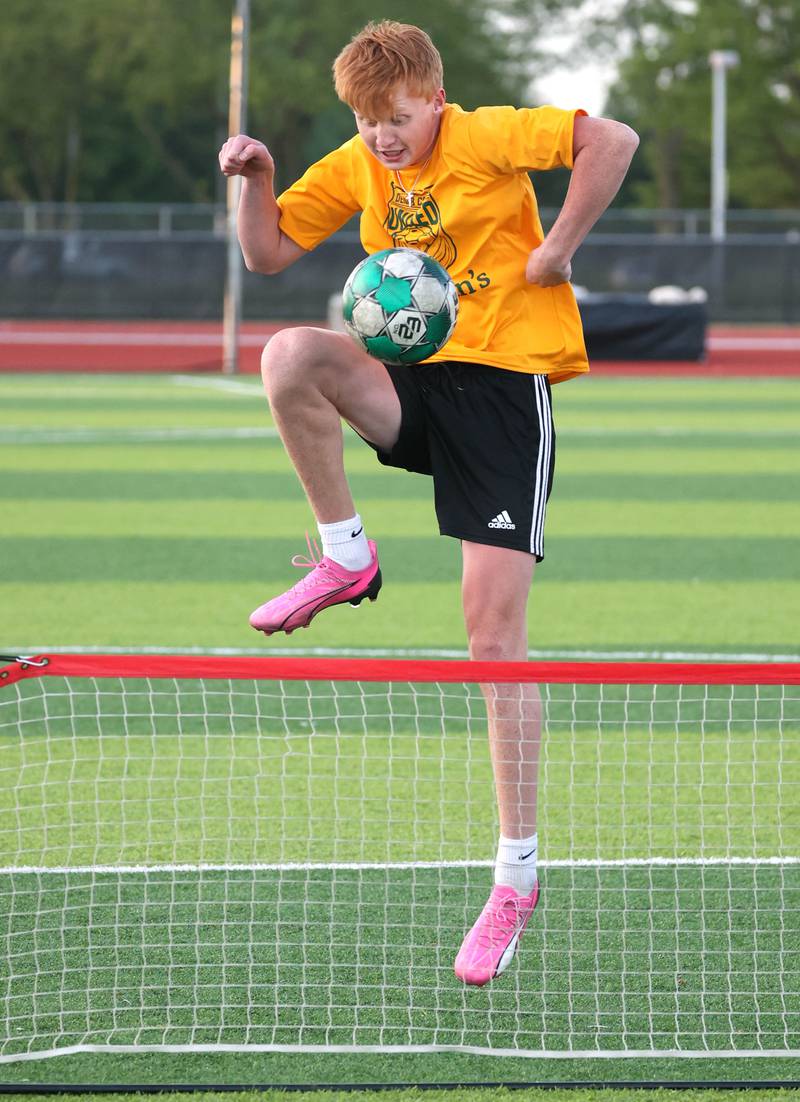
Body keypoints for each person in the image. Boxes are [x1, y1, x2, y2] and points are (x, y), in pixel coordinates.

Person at [219, 20, 638, 986]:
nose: (382, 138)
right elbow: (271, 255)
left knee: (493, 641)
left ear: (434, 102)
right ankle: (344, 552)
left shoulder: (487, 133)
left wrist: (558, 249)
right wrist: (257, 177)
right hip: (414, 383)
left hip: (499, 396)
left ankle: (515, 878)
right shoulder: (362, 161)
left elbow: (610, 140)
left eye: (396, 119)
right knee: (289, 354)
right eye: (367, 122)